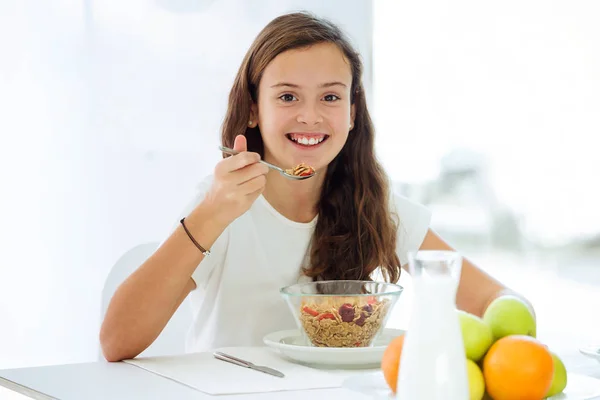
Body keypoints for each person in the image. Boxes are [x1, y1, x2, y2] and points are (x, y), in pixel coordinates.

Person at [99, 12, 533, 362]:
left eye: (330, 97)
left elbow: (496, 299)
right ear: (254, 109)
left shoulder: (373, 205)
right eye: (287, 97)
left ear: (352, 112)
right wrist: (210, 214)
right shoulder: (220, 204)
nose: (310, 116)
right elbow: (116, 341)